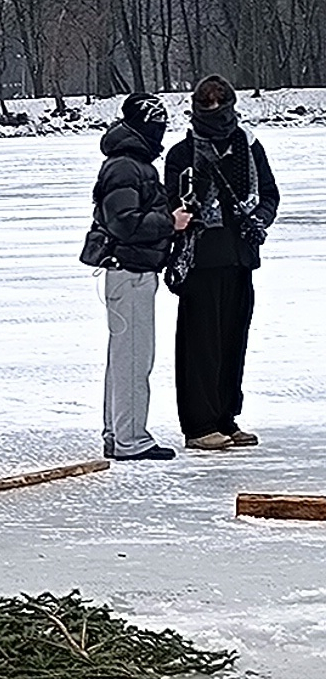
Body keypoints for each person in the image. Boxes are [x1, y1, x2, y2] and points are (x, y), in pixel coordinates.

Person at [164, 76, 279, 451]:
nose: (214, 110)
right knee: (199, 346)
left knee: (233, 342)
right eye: (206, 104)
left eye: (220, 102)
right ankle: (199, 424)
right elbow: (172, 204)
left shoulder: (249, 148)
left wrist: (258, 219)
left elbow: (269, 194)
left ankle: (226, 418)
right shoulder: (182, 154)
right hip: (199, 262)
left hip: (239, 258)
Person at [91, 92, 179, 461]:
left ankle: (118, 433)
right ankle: (129, 439)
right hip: (129, 270)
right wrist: (171, 222)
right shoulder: (126, 166)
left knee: (124, 356)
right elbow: (124, 223)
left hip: (131, 270)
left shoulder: (132, 164)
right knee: (132, 358)